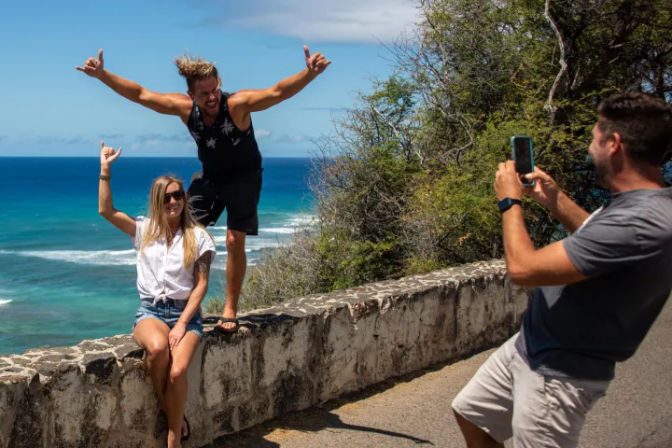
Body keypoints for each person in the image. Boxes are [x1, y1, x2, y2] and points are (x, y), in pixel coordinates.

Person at [452, 91, 672, 448]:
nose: (590, 148)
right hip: (531, 346)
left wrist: (510, 202)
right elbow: (598, 242)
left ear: (614, 144)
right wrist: (554, 200)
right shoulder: (640, 205)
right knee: (471, 413)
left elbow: (524, 269)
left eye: (594, 138)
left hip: (558, 373)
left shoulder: (640, 220)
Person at [78, 46, 330, 332]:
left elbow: (277, 92)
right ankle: (180, 303)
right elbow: (141, 95)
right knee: (182, 230)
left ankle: (230, 309)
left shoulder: (237, 104)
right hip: (210, 177)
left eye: (215, 90)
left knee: (235, 240)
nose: (212, 98)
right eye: (204, 94)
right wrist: (102, 75)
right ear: (191, 96)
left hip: (245, 177)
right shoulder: (185, 110)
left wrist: (309, 74)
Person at [98, 142, 215, 448]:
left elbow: (201, 285)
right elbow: (106, 210)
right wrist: (105, 171)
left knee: (177, 373)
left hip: (186, 317)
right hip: (150, 312)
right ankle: (175, 422)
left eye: (178, 195)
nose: (173, 201)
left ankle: (173, 433)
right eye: (167, 197)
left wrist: (181, 324)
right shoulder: (143, 230)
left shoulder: (199, 237)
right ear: (158, 202)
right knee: (157, 349)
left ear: (184, 198)